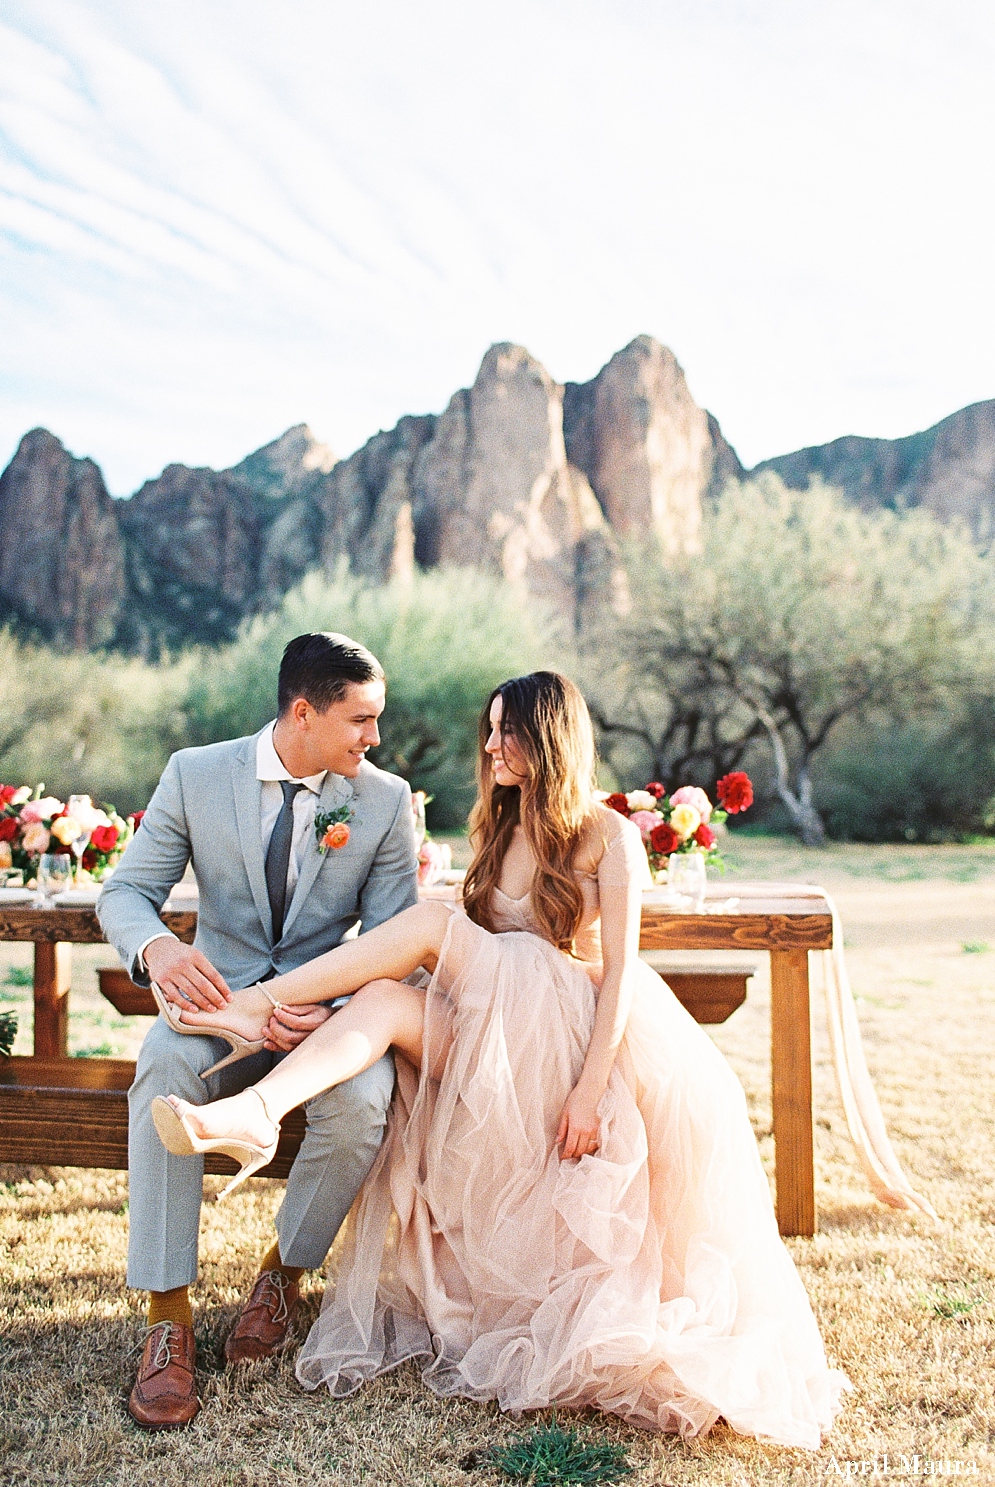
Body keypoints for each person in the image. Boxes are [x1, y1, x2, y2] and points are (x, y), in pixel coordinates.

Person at [152, 671, 849, 1449]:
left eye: (505, 732)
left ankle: (255, 1005)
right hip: (494, 1039)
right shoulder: (501, 823)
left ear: (548, 737)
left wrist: (587, 1093)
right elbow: (462, 940)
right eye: (488, 730)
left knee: (419, 930)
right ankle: (254, 1114)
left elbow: (618, 973)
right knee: (384, 1000)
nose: (489, 747)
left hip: (562, 1042)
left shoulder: (606, 834)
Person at [97, 632, 418, 1430]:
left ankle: (283, 1273)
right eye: (360, 720)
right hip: (215, 1016)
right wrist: (159, 945)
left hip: (323, 1022)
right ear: (302, 713)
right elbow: (125, 892)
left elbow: (398, 940)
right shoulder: (195, 773)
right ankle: (166, 1315)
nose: (373, 738)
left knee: (365, 1099)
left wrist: (340, 1011)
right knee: (162, 1066)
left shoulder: (381, 800)